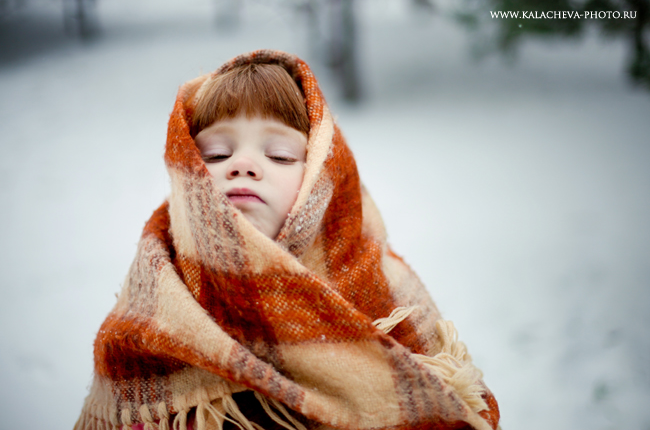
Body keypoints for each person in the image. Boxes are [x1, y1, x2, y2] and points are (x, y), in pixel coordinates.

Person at [74, 50, 500, 430]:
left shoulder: (381, 290)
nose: (242, 164)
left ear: (320, 178)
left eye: (278, 155)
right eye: (217, 154)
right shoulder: (152, 305)